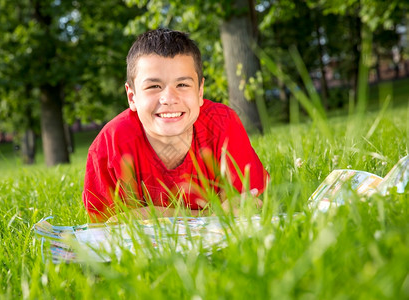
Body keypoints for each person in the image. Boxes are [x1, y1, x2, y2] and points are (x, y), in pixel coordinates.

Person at [83, 28, 269, 222]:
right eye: (154, 86)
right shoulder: (109, 145)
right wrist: (210, 214)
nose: (169, 99)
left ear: (199, 92)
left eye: (182, 85)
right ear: (132, 97)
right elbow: (104, 228)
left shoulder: (222, 123)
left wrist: (152, 214)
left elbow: (250, 206)